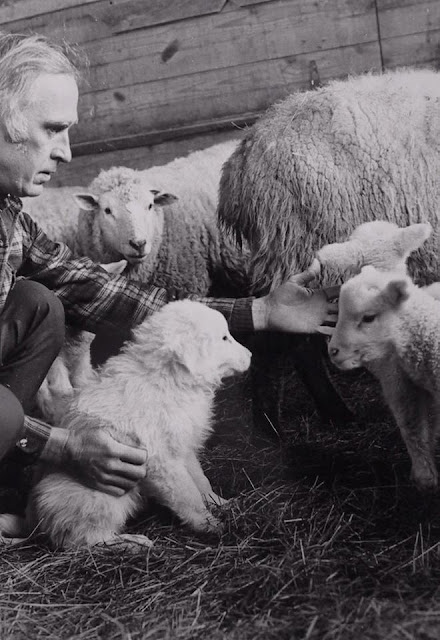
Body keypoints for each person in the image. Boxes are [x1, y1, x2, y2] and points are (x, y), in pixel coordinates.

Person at [0, 32, 337, 498]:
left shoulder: (10, 218)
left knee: (38, 302)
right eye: (52, 129)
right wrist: (60, 446)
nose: (66, 152)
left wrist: (261, 311)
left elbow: (98, 291)